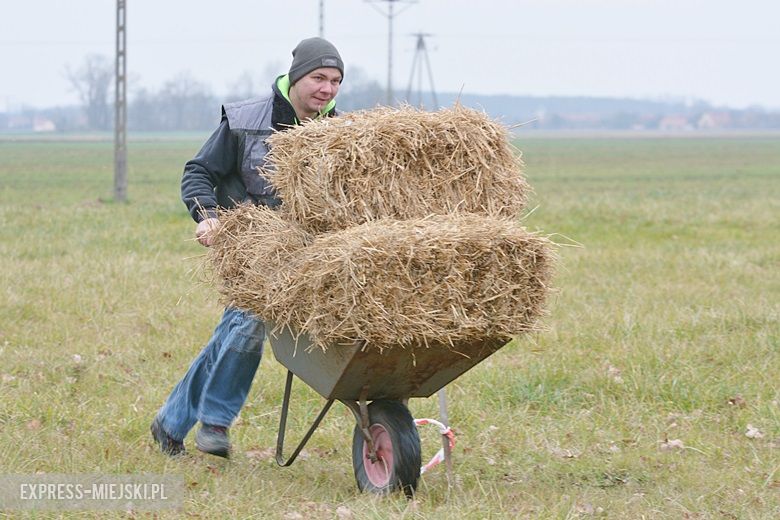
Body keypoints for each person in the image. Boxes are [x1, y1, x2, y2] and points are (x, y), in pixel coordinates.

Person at [151, 37, 344, 458]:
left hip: (307, 254)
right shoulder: (245, 120)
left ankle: (171, 422)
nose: (327, 89)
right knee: (252, 320)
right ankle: (216, 422)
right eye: (318, 78)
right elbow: (198, 172)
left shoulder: (341, 134)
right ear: (295, 78)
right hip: (246, 245)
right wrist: (208, 216)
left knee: (230, 333)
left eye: (334, 81)